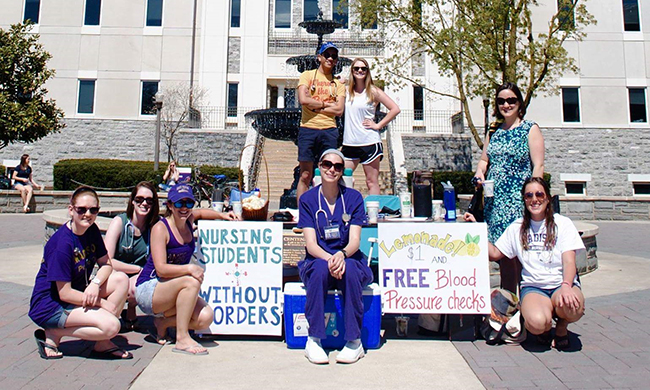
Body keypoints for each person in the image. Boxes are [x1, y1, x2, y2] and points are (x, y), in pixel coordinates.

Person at [467, 178, 585, 350]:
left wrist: (567, 285)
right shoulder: (517, 227)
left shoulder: (563, 224)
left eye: (539, 194)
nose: (534, 199)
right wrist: (475, 229)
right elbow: (494, 254)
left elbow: (569, 261)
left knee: (573, 307)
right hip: (534, 287)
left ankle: (561, 326)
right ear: (524, 199)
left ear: (548, 198)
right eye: (529, 195)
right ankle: (543, 330)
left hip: (561, 284)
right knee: (537, 323)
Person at [29, 186, 131, 359]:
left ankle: (102, 343)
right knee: (112, 326)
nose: (88, 214)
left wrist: (95, 284)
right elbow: (64, 293)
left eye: (93, 209)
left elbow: (106, 263)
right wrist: (101, 303)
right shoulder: (62, 244)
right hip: (51, 305)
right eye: (81, 209)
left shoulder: (91, 230)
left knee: (121, 280)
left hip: (78, 292)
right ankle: (55, 332)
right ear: (71, 210)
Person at [135, 183, 238, 354]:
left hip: (173, 286)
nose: (184, 208)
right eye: (178, 203)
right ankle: (182, 339)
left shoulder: (189, 220)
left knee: (205, 318)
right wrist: (190, 268)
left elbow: (201, 213)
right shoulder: (160, 228)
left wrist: (223, 215)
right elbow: (160, 269)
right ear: (169, 205)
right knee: (191, 281)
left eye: (188, 203)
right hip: (150, 288)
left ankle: (163, 323)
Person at [297, 149, 373, 364]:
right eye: (327, 164)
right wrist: (331, 259)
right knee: (320, 270)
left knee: (349, 271)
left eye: (337, 166)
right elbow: (311, 244)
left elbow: (355, 240)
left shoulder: (353, 198)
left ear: (342, 171)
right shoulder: (309, 200)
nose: (332, 169)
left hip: (348, 256)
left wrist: (341, 255)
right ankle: (314, 339)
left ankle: (354, 341)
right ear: (319, 166)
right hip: (318, 258)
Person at [470, 82, 544, 291]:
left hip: (519, 202)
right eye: (501, 101)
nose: (506, 105)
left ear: (519, 103)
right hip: (496, 204)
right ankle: (508, 310)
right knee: (503, 259)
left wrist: (533, 197)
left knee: (521, 256)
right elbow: (484, 161)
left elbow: (538, 165)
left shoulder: (530, 129)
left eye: (511, 100)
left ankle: (528, 307)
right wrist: (479, 173)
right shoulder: (494, 131)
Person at [104, 181, 160, 330]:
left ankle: (130, 311)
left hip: (140, 276)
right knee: (126, 282)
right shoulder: (119, 222)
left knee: (142, 285)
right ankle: (109, 324)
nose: (144, 203)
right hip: (115, 274)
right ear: (132, 201)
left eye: (149, 200)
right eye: (139, 199)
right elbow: (107, 260)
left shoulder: (155, 226)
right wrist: (137, 269)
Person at [341, 58, 400, 195]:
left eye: (363, 68)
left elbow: (394, 109)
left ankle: (375, 213)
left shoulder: (373, 91)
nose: (360, 71)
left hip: (369, 142)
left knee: (371, 181)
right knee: (343, 177)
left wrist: (378, 125)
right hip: (349, 143)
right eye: (356, 68)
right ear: (352, 71)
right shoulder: (346, 90)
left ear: (367, 71)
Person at [296, 42, 346, 202]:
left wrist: (316, 106)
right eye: (327, 55)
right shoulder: (307, 76)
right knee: (305, 175)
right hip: (308, 129)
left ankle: (331, 211)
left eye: (334, 56)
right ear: (319, 57)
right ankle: (302, 216)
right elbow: (303, 100)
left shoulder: (338, 84)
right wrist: (326, 104)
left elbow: (339, 110)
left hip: (329, 130)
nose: (330, 58)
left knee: (330, 175)